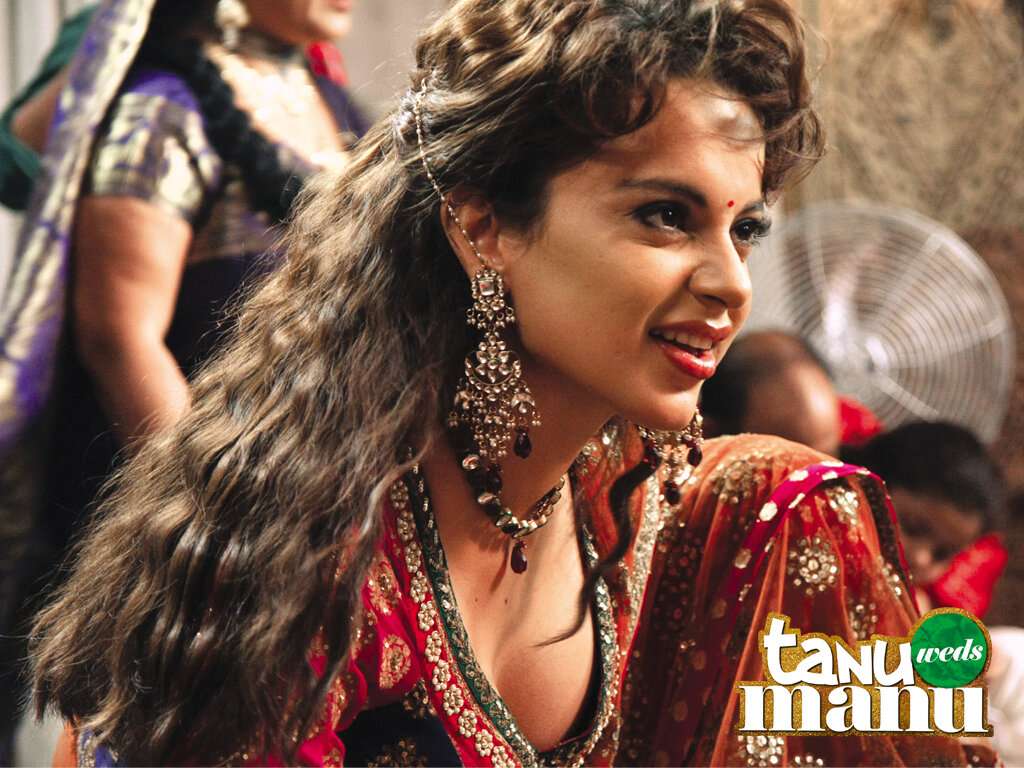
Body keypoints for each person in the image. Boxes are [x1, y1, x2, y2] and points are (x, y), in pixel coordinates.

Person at [28, 1, 996, 766]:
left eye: (743, 230)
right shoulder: (296, 560)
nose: (732, 284)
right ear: (482, 227)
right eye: (666, 215)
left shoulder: (704, 528)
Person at [0, 0, 366, 760]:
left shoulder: (333, 102)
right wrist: (221, 519)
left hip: (323, 508)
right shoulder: (162, 109)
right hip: (205, 519)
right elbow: (118, 335)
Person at [845, 420, 1008, 617]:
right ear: (869, 481)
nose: (920, 559)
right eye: (912, 528)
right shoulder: (815, 508)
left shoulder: (909, 615)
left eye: (941, 554)